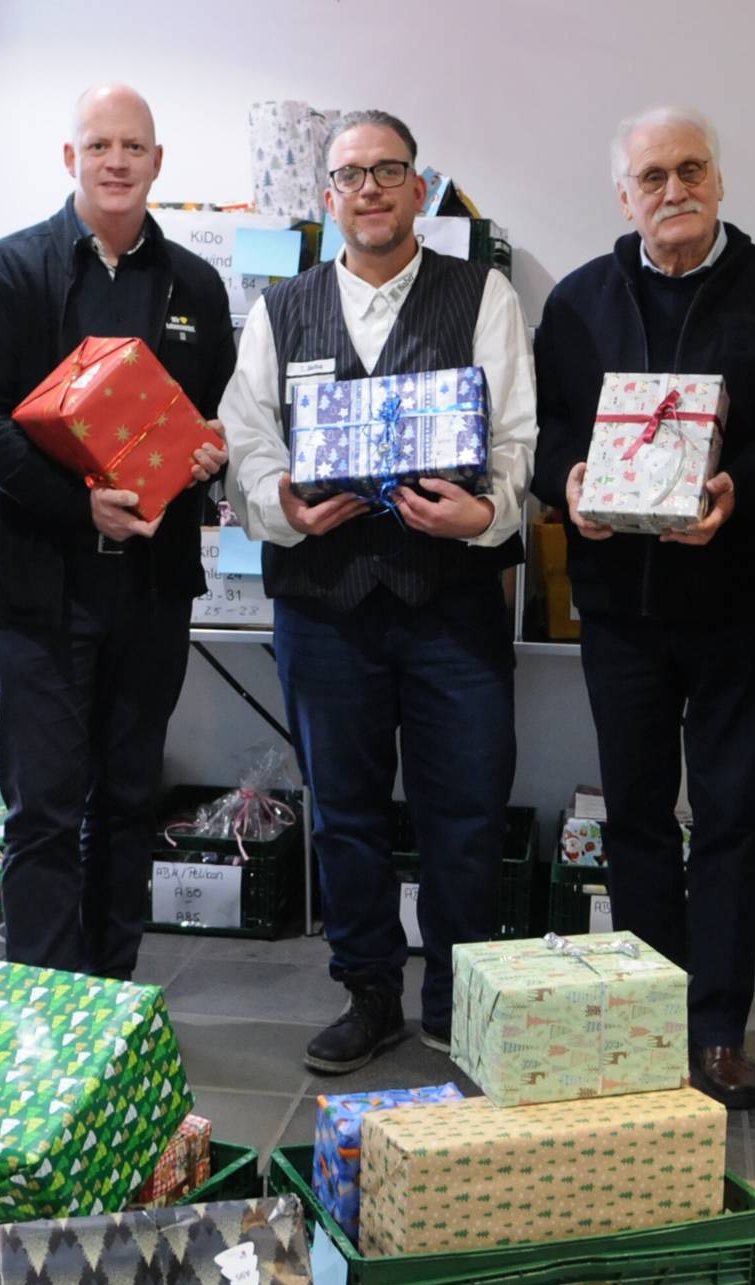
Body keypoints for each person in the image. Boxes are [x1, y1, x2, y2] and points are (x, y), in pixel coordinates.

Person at [530, 106, 755, 1108]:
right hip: (620, 604)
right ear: (625, 195)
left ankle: (718, 1028)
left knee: (734, 815)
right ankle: (648, 1020)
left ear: (720, 176)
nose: (674, 189)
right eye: (651, 175)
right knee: (640, 821)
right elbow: (544, 435)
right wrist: (569, 482)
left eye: (691, 167)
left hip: (741, 597)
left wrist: (739, 486)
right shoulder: (577, 302)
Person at [221, 110, 536, 1074]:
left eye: (388, 171)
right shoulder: (283, 308)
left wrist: (482, 517)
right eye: (350, 174)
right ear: (328, 196)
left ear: (416, 188)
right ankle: (368, 993)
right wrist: (281, 500)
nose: (368, 189)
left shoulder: (481, 295)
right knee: (345, 811)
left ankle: (455, 998)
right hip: (323, 604)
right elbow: (245, 438)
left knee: (466, 811)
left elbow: (518, 438)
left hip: (453, 602)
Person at [0, 85, 232, 979]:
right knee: (42, 809)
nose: (117, 161)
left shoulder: (195, 284)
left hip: (151, 589)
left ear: (156, 162)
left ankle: (108, 997)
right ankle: (41, 1005)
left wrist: (209, 454)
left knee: (129, 798)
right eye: (99, 144)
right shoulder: (8, 271)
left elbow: (214, 416)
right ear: (70, 159)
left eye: (133, 146)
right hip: (41, 586)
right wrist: (79, 502)